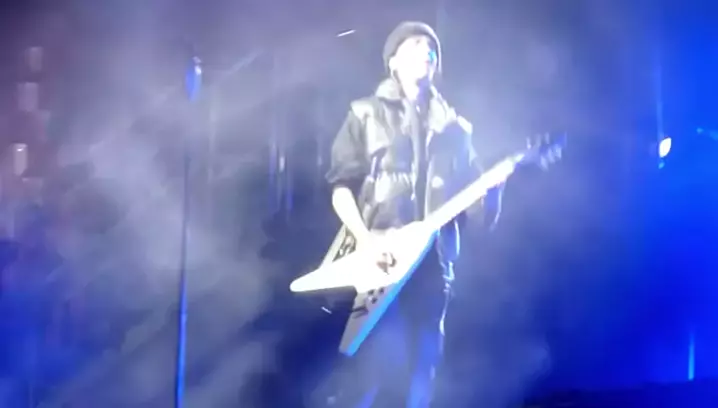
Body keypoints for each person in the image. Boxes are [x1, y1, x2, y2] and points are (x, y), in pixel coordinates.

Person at [319, 21, 503, 407]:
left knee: (426, 359)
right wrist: (366, 242)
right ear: (393, 61)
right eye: (416, 44)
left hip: (433, 261)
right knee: (376, 364)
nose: (427, 51)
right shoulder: (364, 114)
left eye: (432, 48)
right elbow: (341, 189)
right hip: (379, 259)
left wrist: (496, 189)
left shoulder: (456, 130)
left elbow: (480, 216)